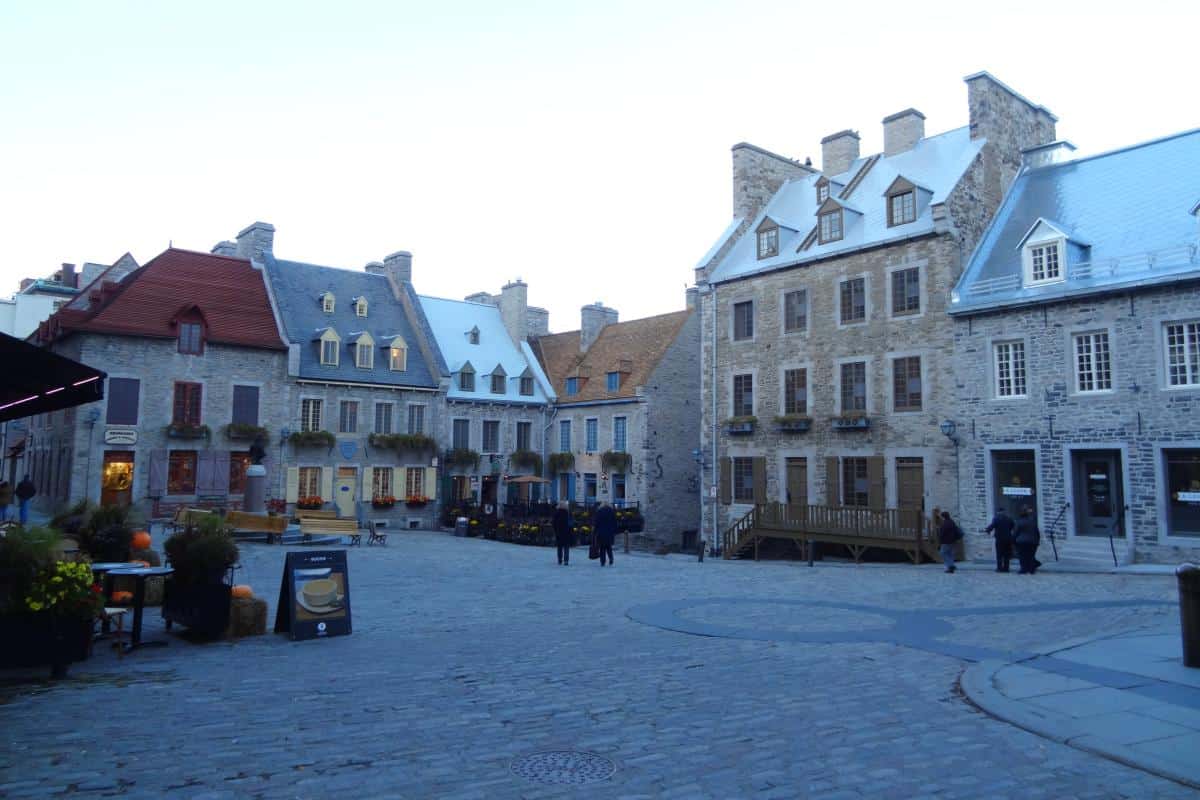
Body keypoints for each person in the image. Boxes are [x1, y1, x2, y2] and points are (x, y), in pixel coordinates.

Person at [985, 507, 1015, 572]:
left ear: (998, 512)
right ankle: (1006, 568)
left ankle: (999, 568)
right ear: (1004, 512)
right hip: (1008, 539)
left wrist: (988, 531)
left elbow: (991, 526)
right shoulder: (1009, 518)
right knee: (1007, 554)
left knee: (999, 554)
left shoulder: (996, 519)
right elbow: (1012, 526)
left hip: (999, 539)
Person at [1014, 507, 1041, 574]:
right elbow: (1037, 532)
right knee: (1031, 556)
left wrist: (1013, 540)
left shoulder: (1019, 522)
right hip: (1033, 541)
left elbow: (1016, 532)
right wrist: (1037, 541)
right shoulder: (1033, 522)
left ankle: (1024, 569)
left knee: (1022, 556)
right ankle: (1031, 569)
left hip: (1022, 541)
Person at [594, 501, 617, 567]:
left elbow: (597, 522)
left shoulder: (599, 512)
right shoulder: (612, 512)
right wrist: (614, 530)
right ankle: (611, 559)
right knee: (609, 547)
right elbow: (614, 522)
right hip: (609, 532)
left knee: (602, 548)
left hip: (601, 532)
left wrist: (595, 531)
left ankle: (603, 561)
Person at [552, 501, 573, 566]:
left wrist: (555, 530)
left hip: (559, 532)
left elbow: (554, 523)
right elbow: (571, 523)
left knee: (559, 546)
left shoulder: (556, 513)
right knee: (566, 546)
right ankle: (566, 560)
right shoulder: (568, 513)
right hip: (566, 532)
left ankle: (559, 560)